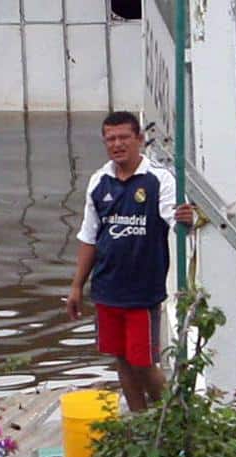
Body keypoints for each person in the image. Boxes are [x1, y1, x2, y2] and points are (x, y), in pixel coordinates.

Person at [65, 111, 197, 412]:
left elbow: (177, 219)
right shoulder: (100, 181)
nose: (117, 144)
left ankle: (174, 419)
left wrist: (189, 219)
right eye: (110, 139)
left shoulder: (159, 180)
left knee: (144, 362)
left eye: (124, 137)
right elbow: (89, 237)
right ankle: (139, 421)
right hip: (106, 289)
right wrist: (76, 288)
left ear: (139, 139)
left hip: (142, 292)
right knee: (121, 359)